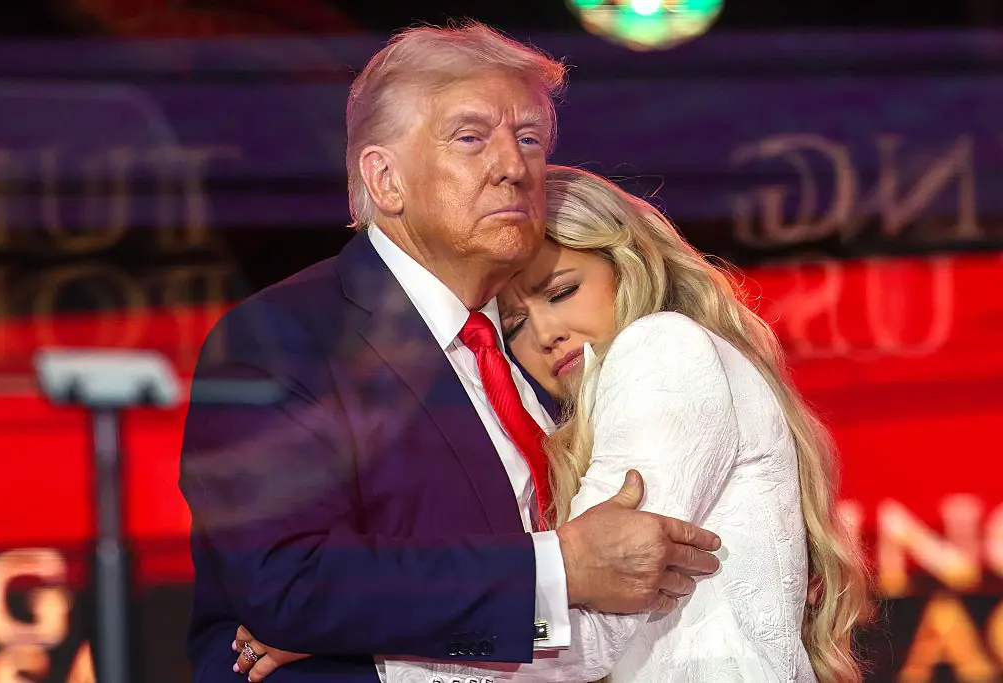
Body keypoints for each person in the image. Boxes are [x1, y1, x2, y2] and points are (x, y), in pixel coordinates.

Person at [179, 24, 721, 683]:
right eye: (472, 138)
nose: (513, 166)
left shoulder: (558, 349)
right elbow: (288, 583)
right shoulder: (280, 339)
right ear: (385, 179)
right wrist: (559, 570)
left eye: (528, 139)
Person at [236, 166, 869, 682]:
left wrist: (350, 631)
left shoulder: (661, 349)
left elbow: (592, 627)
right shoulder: (618, 393)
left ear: (628, 263)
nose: (544, 333)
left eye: (561, 291)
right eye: (512, 323)